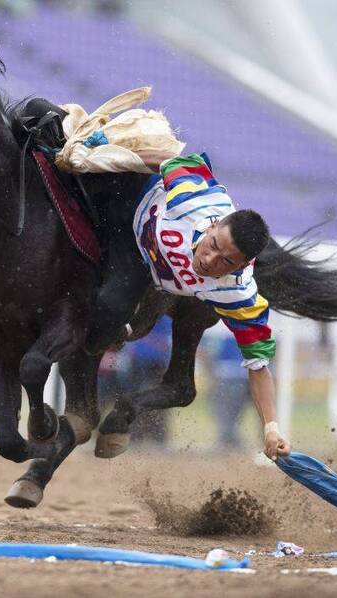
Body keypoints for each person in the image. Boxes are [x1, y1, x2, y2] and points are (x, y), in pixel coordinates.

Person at [87, 152, 291, 461]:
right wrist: (110, 152)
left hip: (148, 274)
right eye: (213, 246)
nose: (209, 261)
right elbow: (165, 157)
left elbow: (259, 367)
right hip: (131, 208)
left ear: (245, 264)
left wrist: (271, 429)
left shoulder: (239, 294)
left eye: (226, 261)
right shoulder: (191, 198)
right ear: (213, 227)